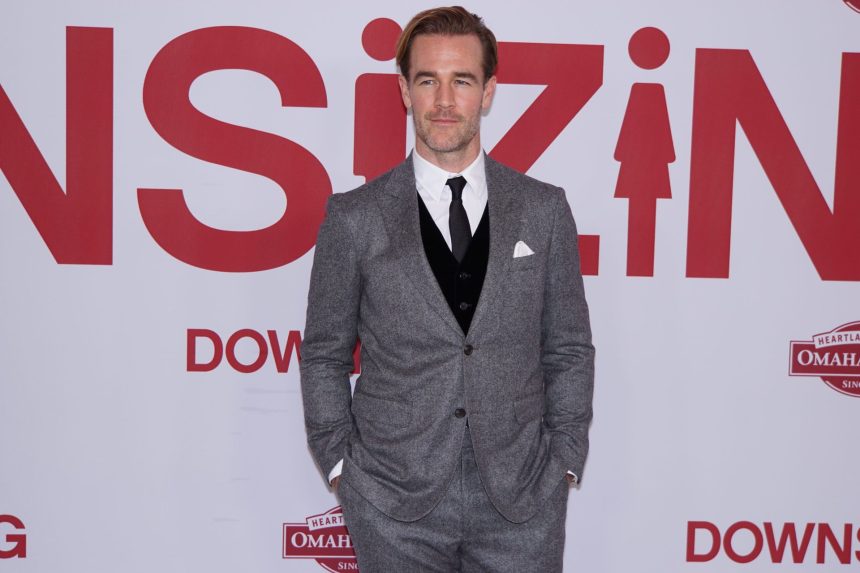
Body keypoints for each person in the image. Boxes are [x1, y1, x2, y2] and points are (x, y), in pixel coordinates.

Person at [300, 6, 594, 571]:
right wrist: (340, 466)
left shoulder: (543, 210)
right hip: (392, 501)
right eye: (427, 80)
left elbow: (569, 347)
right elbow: (323, 353)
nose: (443, 100)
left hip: (522, 499)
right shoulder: (354, 218)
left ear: (488, 92)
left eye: (461, 80)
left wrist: (565, 458)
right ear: (404, 91)